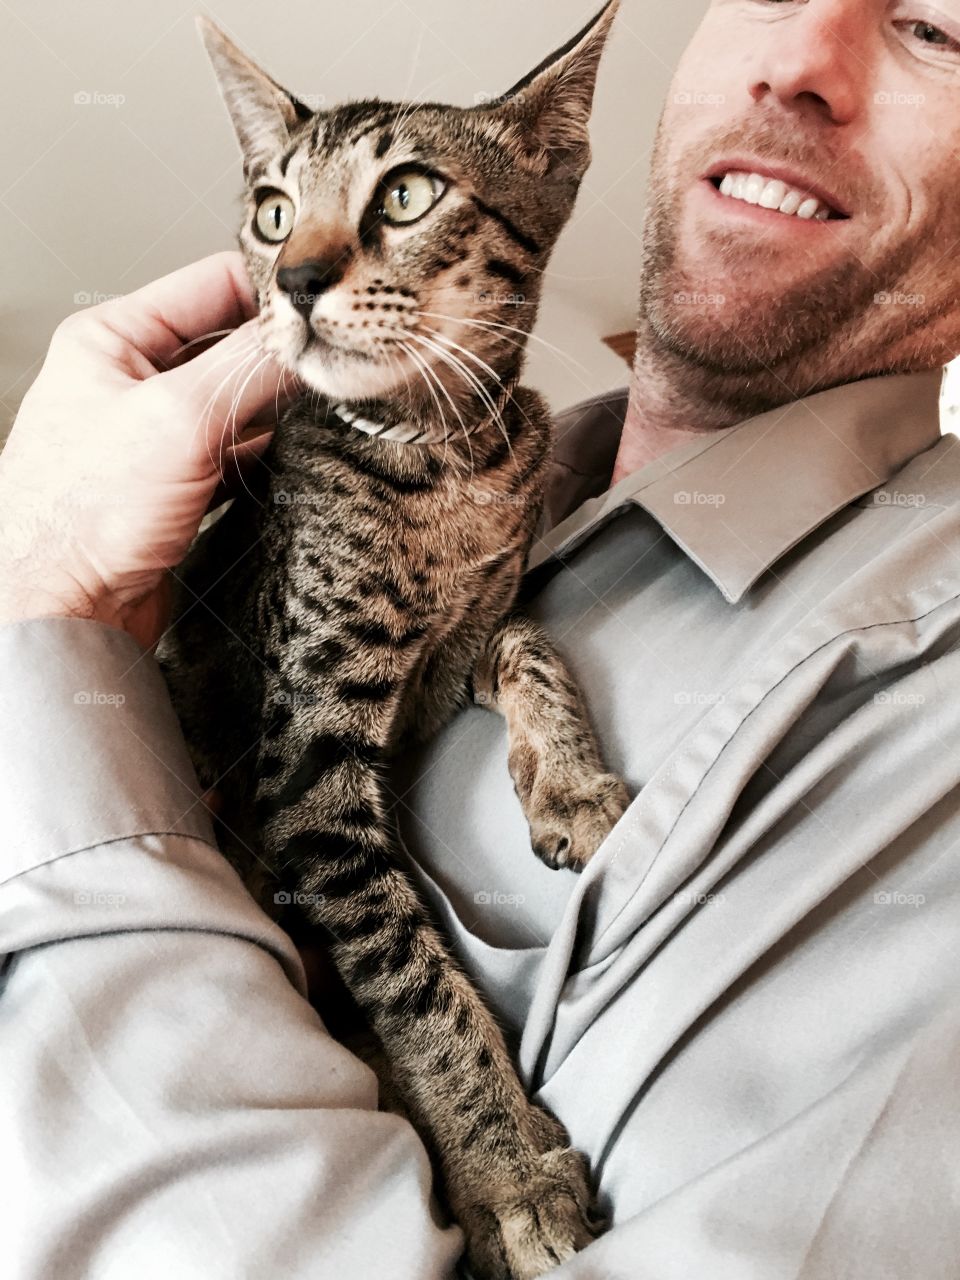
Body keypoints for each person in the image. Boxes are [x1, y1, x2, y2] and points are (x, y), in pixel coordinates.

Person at [3, 0, 960, 1276]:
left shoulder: (919, 675)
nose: (310, 263)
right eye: (281, 214)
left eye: (937, 31)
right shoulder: (505, 463)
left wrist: (45, 600)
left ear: (555, 159)